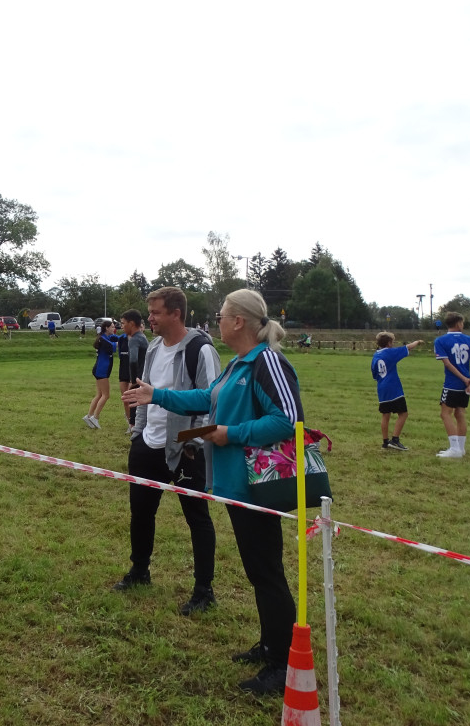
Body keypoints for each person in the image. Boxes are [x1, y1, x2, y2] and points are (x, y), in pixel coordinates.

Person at [124, 288, 301, 695]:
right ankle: (271, 643)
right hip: (237, 484)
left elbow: (289, 420)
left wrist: (229, 434)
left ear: (238, 321)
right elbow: (206, 397)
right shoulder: (239, 364)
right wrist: (157, 395)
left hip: (260, 485)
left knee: (268, 572)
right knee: (258, 570)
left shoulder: (266, 361)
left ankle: (282, 663)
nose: (215, 321)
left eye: (221, 315)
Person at [114, 287, 220, 617]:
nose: (150, 318)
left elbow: (215, 403)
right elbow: (144, 391)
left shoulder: (200, 349)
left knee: (197, 518)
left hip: (187, 449)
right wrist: (138, 433)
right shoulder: (155, 346)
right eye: (150, 312)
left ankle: (204, 591)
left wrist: (193, 441)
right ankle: (139, 571)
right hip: (148, 445)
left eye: (156, 312)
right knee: (141, 512)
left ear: (176, 313)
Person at [434, 312, 470, 458]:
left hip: (452, 383)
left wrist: (463, 378)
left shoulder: (440, 341)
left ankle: (454, 449)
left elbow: (447, 364)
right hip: (465, 385)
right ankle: (460, 449)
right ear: (459, 323)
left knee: (445, 413)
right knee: (460, 413)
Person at [372, 332, 423, 451]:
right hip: (393, 388)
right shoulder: (390, 352)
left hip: (382, 389)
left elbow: (375, 375)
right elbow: (408, 347)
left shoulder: (376, 356)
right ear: (389, 343)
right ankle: (395, 440)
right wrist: (418, 342)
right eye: (392, 342)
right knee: (403, 413)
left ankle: (385, 442)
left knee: (386, 415)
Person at [117, 310, 148, 435]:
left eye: (123, 323)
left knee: (134, 402)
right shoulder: (142, 337)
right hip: (145, 376)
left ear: (131, 323)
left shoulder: (134, 339)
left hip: (139, 377)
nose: (122, 326)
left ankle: (133, 427)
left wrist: (133, 381)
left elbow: (133, 360)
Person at [83, 320, 118, 428]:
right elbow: (114, 346)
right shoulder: (103, 339)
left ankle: (89, 416)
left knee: (99, 394)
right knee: (106, 395)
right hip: (101, 370)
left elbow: (116, 338)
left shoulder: (105, 337)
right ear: (106, 328)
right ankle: (95, 417)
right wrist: (121, 342)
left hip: (99, 369)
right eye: (112, 327)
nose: (114, 329)